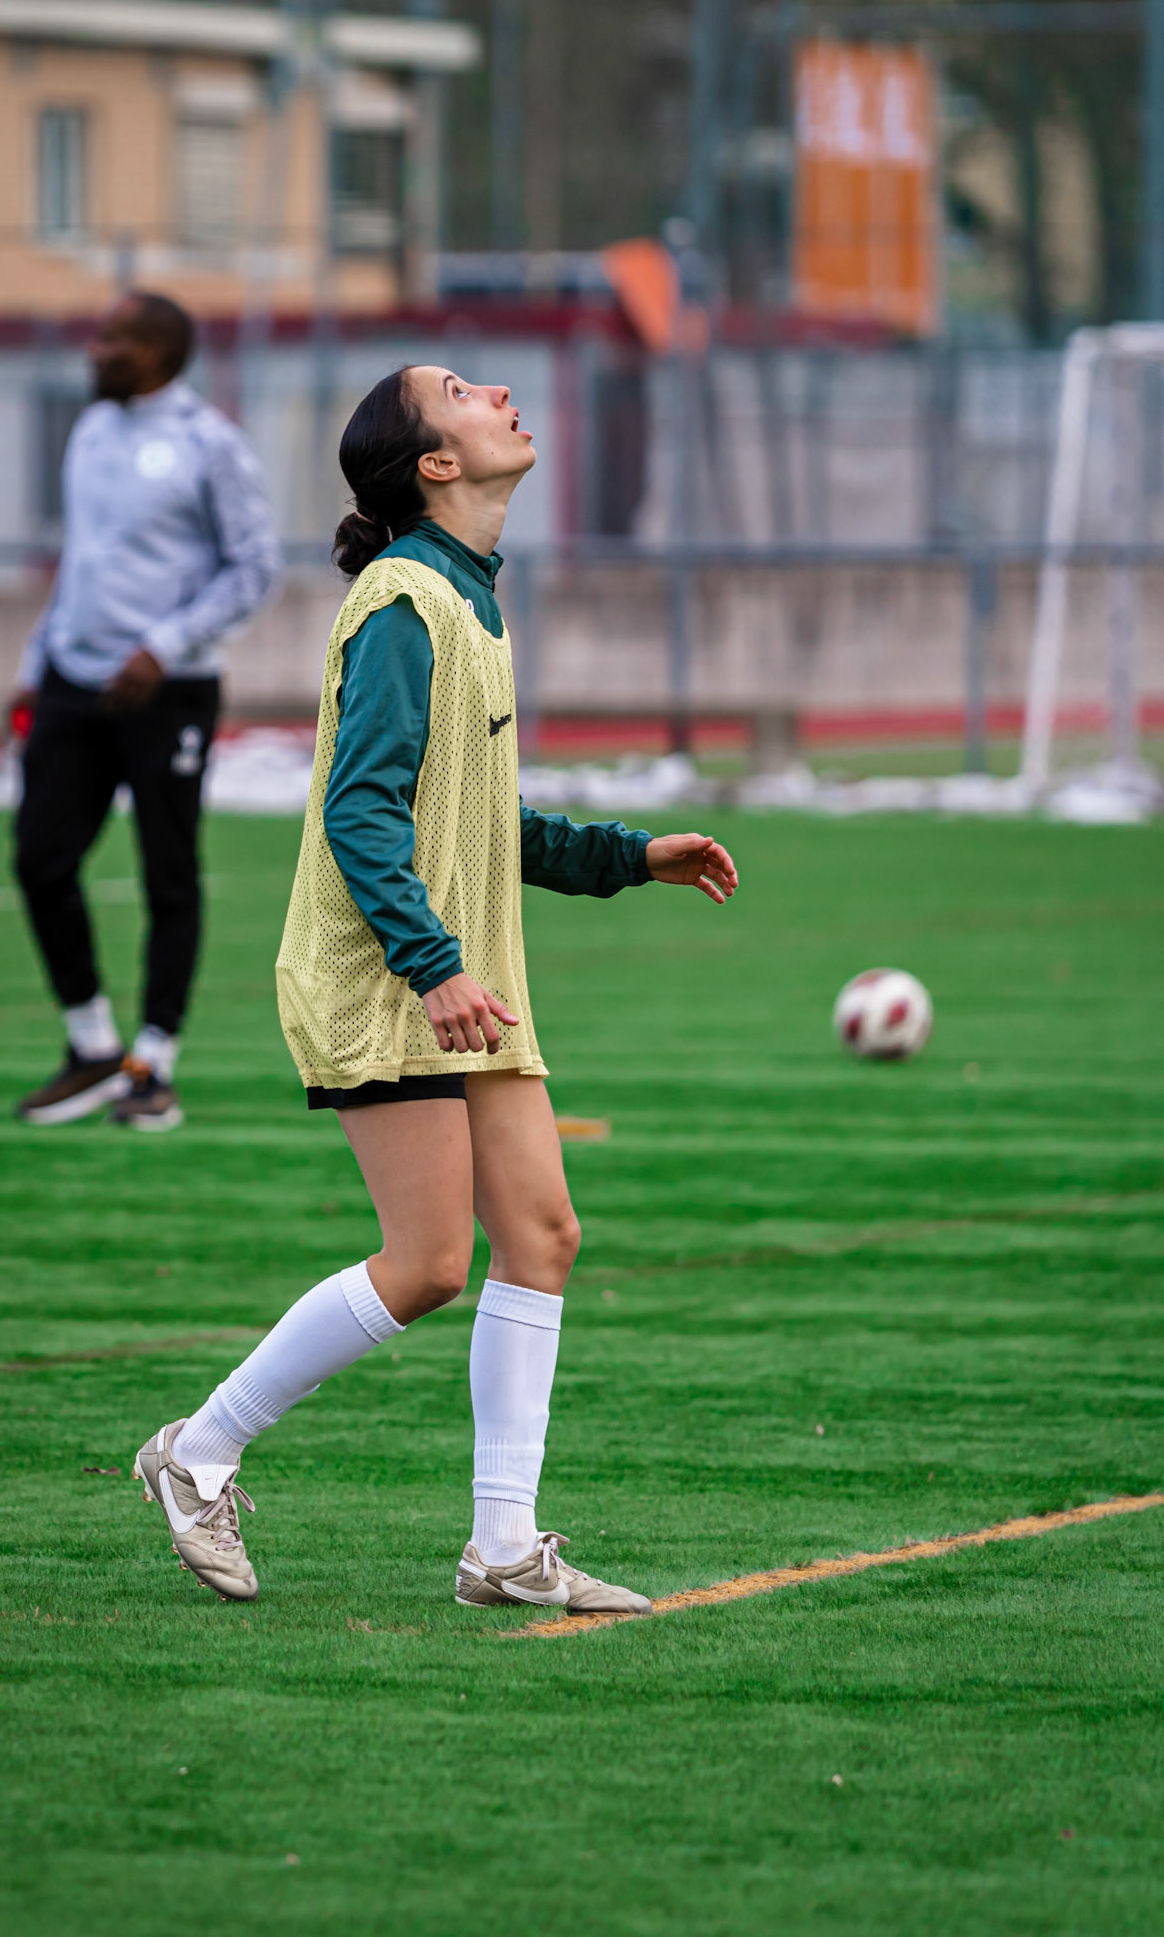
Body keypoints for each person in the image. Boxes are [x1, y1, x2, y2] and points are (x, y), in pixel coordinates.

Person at [133, 363, 738, 1613]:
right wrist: (435, 964)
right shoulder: (405, 598)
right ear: (436, 465)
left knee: (544, 1236)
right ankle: (197, 1451)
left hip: (462, 976)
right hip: (389, 972)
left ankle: (503, 1548)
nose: (502, 389)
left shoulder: (468, 596)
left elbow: (474, 817)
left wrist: (631, 857)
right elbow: (362, 815)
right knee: (426, 1261)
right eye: (461, 389)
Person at [10, 292, 283, 1131]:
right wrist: (34, 664)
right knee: (39, 859)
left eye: (113, 339)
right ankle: (90, 1044)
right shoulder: (91, 431)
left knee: (167, 872)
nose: (94, 350)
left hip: (167, 688)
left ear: (160, 351)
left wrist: (163, 647)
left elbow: (253, 567)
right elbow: (83, 562)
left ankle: (151, 1062)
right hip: (72, 678)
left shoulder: (210, 445)